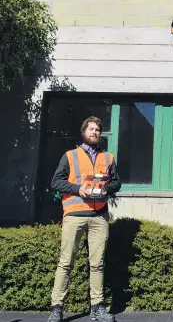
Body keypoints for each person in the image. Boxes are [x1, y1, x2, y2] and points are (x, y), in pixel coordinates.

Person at [47, 116, 121, 322]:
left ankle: (97, 308)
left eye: (98, 130)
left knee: (97, 264)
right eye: (91, 129)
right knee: (65, 263)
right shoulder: (70, 156)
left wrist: (107, 188)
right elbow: (56, 181)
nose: (95, 132)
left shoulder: (108, 158)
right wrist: (77, 188)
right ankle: (56, 308)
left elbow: (117, 182)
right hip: (75, 215)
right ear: (83, 133)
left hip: (99, 216)